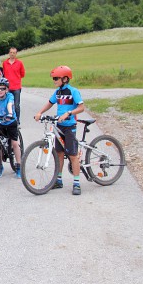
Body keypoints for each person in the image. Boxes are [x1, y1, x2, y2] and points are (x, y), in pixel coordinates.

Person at [34, 66, 85, 195]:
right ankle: (59, 180)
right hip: (59, 125)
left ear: (65, 78)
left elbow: (81, 107)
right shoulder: (58, 92)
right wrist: (40, 112)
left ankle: (77, 183)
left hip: (69, 126)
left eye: (56, 78)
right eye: (53, 78)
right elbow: (50, 103)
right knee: (59, 154)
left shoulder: (73, 91)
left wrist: (69, 113)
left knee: (73, 155)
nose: (54, 80)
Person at [2, 47, 26, 123]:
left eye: (14, 53)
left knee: (16, 105)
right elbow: (4, 74)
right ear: (9, 53)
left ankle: (17, 120)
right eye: (11, 52)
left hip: (16, 87)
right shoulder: (5, 63)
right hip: (7, 87)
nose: (12, 54)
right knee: (7, 104)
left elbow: (22, 74)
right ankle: (7, 119)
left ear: (16, 54)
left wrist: (16, 78)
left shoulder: (19, 63)